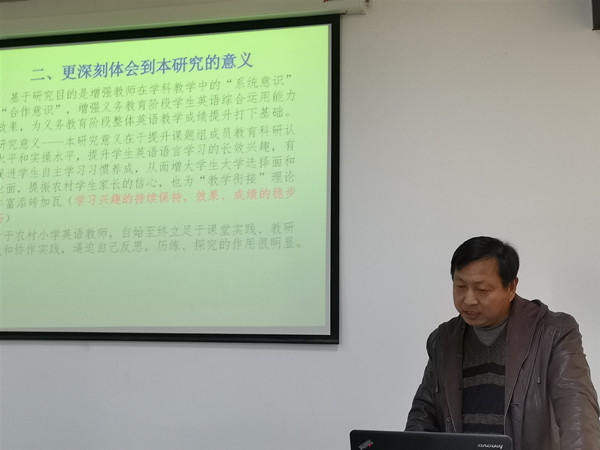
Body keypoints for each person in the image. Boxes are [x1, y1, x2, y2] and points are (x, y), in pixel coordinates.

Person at [405, 236, 600, 450]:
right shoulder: (443, 340)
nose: (469, 299)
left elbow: (577, 410)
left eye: (482, 290)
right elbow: (422, 416)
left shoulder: (553, 333)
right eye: (460, 286)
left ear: (511, 287)